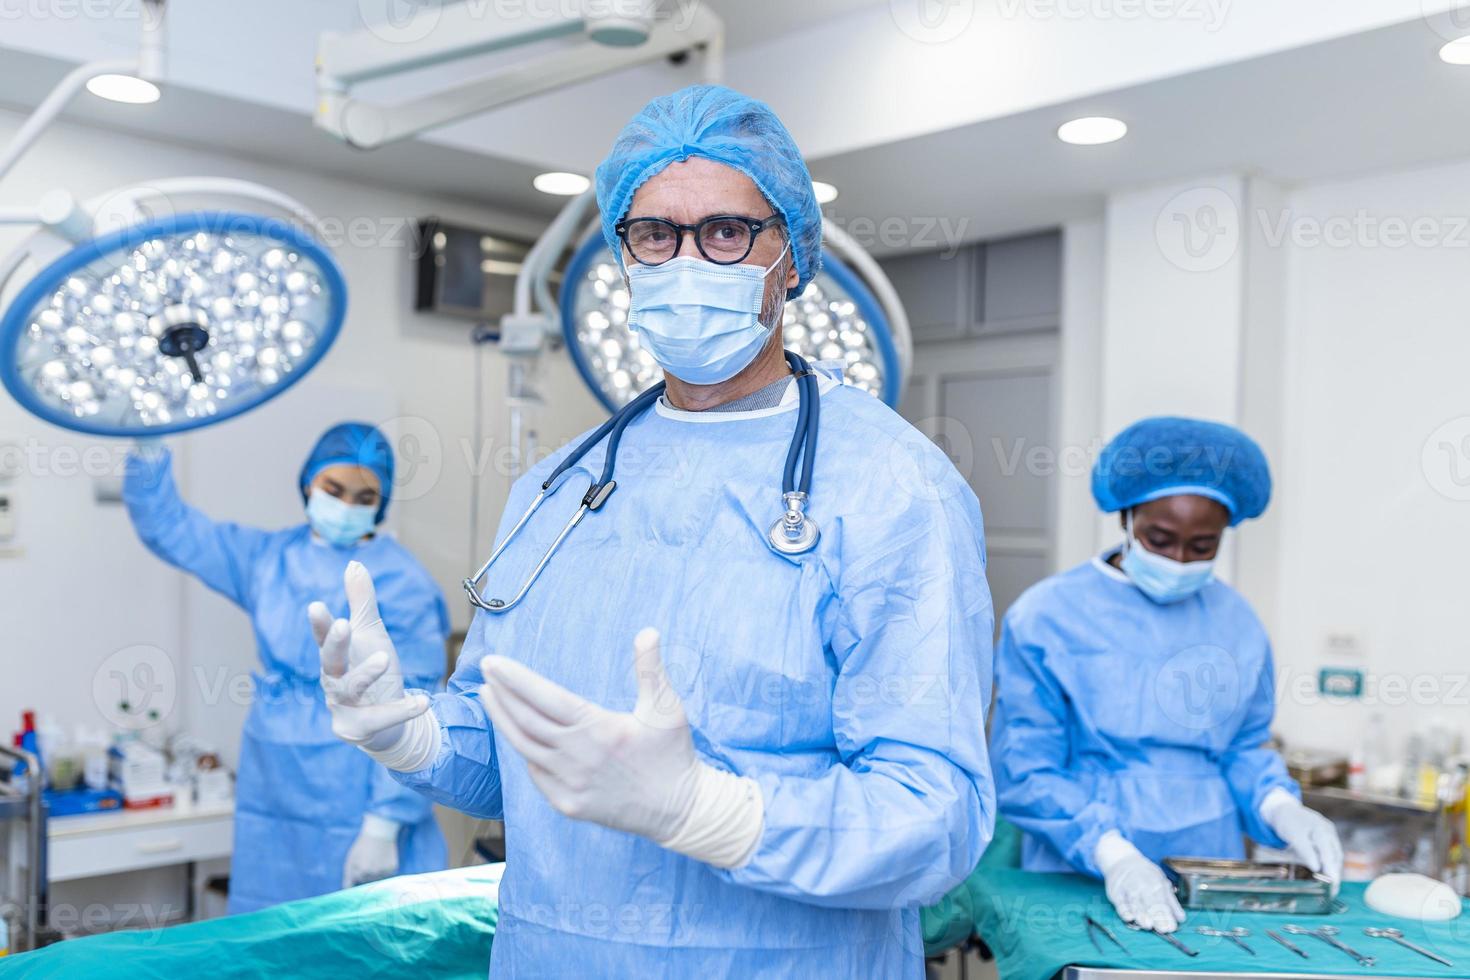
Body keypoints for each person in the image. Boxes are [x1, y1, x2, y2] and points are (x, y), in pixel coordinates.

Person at [310, 85, 995, 976]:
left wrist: (707, 811)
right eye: (655, 234)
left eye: (725, 231)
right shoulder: (557, 488)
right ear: (625, 254)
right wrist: (408, 731)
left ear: (789, 253)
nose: (686, 260)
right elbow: (512, 758)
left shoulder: (895, 491)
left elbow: (934, 816)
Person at [991, 416, 1342, 933]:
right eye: (1159, 539)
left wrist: (1280, 806)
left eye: (1202, 547)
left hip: (1208, 862)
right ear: (1126, 518)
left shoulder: (1237, 623)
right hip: (1078, 867)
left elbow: (1244, 748)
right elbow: (1026, 765)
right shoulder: (1046, 617)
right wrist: (1112, 854)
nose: (1179, 559)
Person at [123, 422, 449, 913]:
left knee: (361, 943)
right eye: (334, 490)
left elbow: (415, 709)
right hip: (273, 788)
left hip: (358, 792)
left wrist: (384, 825)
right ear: (308, 484)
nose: (346, 506)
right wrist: (148, 447)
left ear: (380, 505)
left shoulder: (402, 580)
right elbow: (171, 529)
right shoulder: (266, 559)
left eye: (364, 497)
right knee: (272, 938)